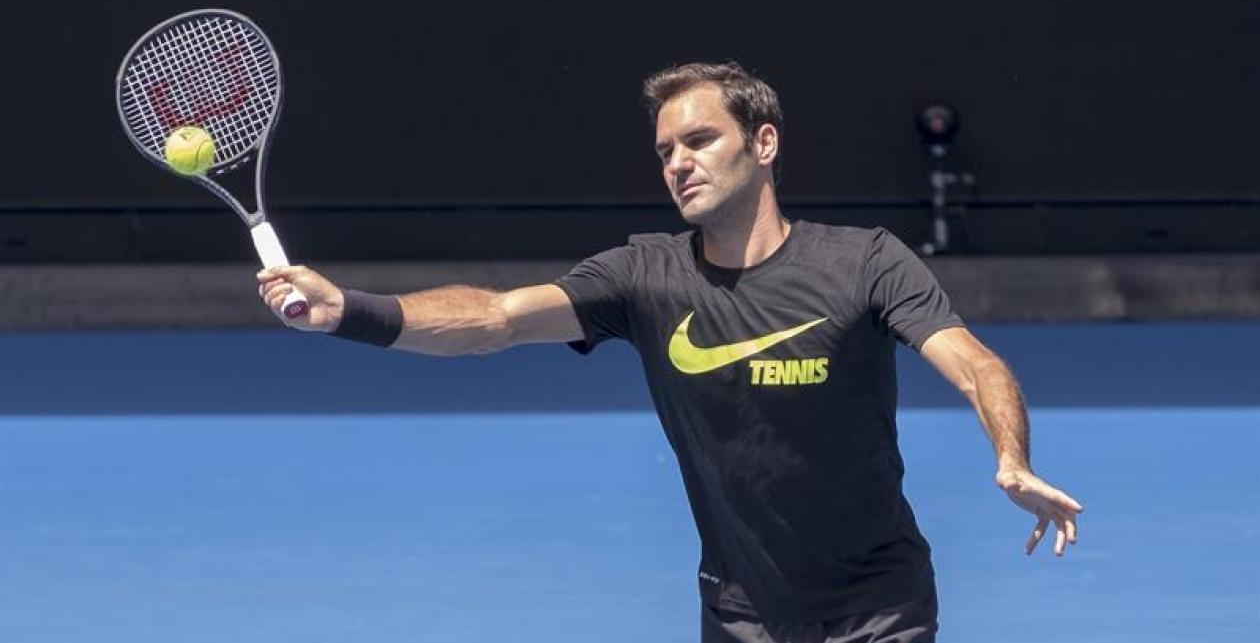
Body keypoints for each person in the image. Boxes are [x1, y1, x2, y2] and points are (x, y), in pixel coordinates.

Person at [257, 62, 1082, 642]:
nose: (678, 162)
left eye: (698, 140)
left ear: (762, 144)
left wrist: (1010, 456)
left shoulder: (864, 260)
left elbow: (975, 362)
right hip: (739, 610)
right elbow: (496, 318)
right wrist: (347, 312)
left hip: (880, 606)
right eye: (664, 151)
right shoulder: (643, 274)